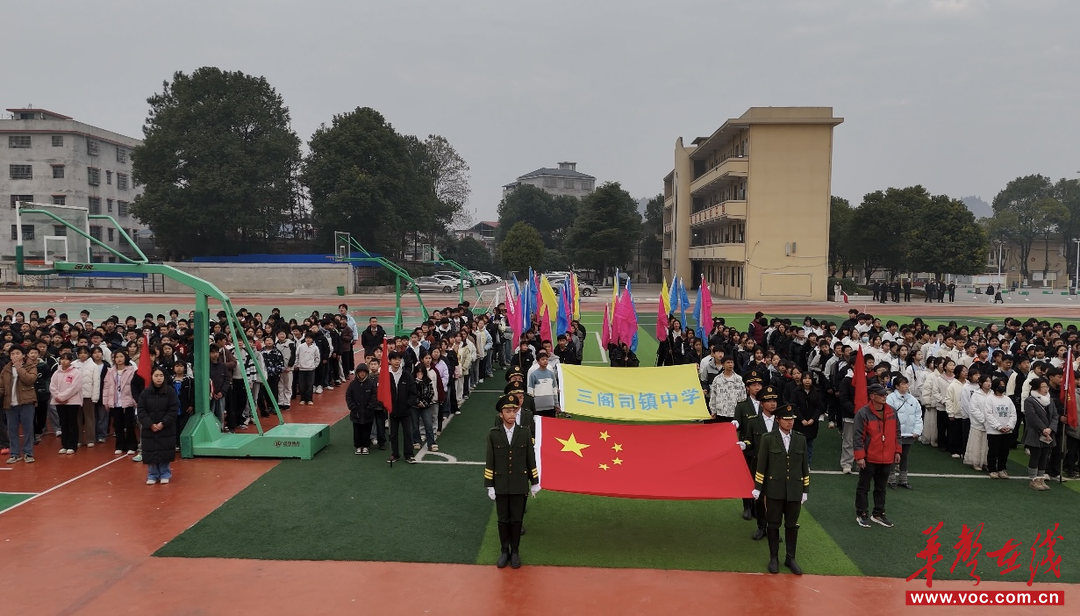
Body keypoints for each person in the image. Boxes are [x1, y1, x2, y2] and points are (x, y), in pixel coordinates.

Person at [752, 404, 809, 575]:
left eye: (792, 419)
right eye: (786, 419)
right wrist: (758, 487)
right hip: (774, 490)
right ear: (778, 420)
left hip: (794, 490)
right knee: (773, 524)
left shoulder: (800, 439)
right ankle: (774, 558)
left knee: (792, 525)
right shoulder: (768, 439)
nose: (790, 422)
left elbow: (804, 466)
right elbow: (761, 464)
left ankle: (790, 558)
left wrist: (805, 489)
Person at [484, 393, 540, 569]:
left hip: (519, 483)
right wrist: (489, 485)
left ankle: (515, 551)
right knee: (503, 520)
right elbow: (490, 460)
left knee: (516, 520)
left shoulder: (524, 433)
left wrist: (535, 481)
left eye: (514, 411)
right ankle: (504, 551)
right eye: (508, 411)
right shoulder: (493, 434)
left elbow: (530, 458)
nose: (512, 414)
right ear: (501, 414)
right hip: (500, 484)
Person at [853, 383, 901, 528]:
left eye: (885, 394)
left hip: (887, 457)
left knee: (881, 488)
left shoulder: (892, 412)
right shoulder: (862, 413)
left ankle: (878, 513)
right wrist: (860, 456)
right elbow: (858, 436)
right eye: (881, 395)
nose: (884, 397)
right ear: (872, 396)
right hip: (869, 457)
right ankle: (862, 513)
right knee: (864, 487)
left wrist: (897, 451)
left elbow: (897, 433)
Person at [740, 384, 780, 540]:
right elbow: (749, 440)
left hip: (777, 465)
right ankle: (761, 527)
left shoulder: (782, 420)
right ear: (761, 403)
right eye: (768, 401)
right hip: (759, 465)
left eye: (774, 400)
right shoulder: (753, 421)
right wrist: (745, 445)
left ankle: (774, 528)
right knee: (760, 497)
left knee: (776, 499)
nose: (772, 403)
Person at [137, 367, 180, 484]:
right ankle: (153, 474)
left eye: (161, 375)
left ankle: (165, 473)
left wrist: (163, 423)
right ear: (151, 377)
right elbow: (141, 410)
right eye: (156, 375)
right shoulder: (145, 393)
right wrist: (150, 424)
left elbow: (173, 409)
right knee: (151, 450)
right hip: (149, 429)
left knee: (164, 449)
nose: (159, 378)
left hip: (166, 428)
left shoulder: (170, 392)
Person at [2, 347, 39, 464]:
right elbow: (1, 386)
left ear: (23, 355)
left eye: (17, 353)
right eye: (12, 354)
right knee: (12, 430)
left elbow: (29, 380)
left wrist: (19, 368)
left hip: (26, 402)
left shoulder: (30, 367)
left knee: (28, 429)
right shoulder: (6, 369)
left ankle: (28, 453)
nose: (15, 356)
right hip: (10, 403)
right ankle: (15, 454)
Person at [102, 350, 143, 456]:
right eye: (117, 357)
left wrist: (135, 400)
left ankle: (132, 445)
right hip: (115, 401)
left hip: (128, 400)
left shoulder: (132, 370)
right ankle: (120, 445)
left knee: (129, 424)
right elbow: (106, 387)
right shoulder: (110, 371)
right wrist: (106, 401)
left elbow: (135, 386)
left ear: (125, 357)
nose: (119, 359)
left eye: (121, 356)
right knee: (118, 424)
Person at [886, 375, 922, 489]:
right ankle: (891, 479)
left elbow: (918, 416)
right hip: (895, 434)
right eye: (903, 384)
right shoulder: (890, 398)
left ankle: (903, 480)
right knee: (893, 456)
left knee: (905, 456)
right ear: (897, 386)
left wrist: (917, 430)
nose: (906, 386)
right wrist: (891, 431)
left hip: (909, 434)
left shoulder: (912, 399)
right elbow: (888, 416)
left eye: (907, 384)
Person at [1023, 377, 1057, 491]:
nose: (1046, 389)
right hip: (1035, 432)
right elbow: (1032, 417)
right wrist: (1043, 429)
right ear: (1037, 388)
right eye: (1043, 387)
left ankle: (1041, 478)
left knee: (1044, 456)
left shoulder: (1050, 400)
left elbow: (1055, 416)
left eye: (1047, 387)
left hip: (1048, 433)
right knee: (1035, 455)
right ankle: (1033, 479)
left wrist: (1050, 429)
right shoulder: (1029, 401)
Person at [386, 351, 417, 464]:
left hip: (405, 410)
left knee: (407, 433)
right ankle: (395, 454)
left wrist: (408, 404)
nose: (397, 361)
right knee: (393, 434)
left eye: (399, 359)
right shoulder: (386, 376)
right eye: (394, 359)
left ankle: (409, 455)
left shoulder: (406, 375)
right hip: (392, 410)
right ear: (390, 361)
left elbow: (413, 392)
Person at [982, 376, 1017, 479]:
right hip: (994, 432)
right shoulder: (989, 399)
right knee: (993, 451)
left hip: (1007, 431)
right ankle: (992, 469)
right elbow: (988, 415)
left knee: (1004, 452)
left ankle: (1002, 469)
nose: (1003, 386)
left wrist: (1010, 426)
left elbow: (1013, 414)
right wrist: (998, 427)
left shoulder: (1008, 399)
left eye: (1004, 385)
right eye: (1000, 385)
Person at [50, 351, 82, 454]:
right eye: (62, 359)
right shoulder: (56, 372)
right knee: (63, 423)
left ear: (71, 361)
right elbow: (52, 386)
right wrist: (58, 397)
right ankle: (65, 444)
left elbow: (75, 387)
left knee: (72, 423)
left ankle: (72, 445)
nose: (64, 361)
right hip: (59, 402)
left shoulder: (76, 372)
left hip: (72, 402)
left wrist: (63, 397)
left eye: (66, 359)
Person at [345, 363, 380, 455]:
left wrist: (370, 407)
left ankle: (366, 446)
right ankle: (358, 446)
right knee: (357, 430)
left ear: (366, 373)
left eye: (364, 372)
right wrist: (353, 407)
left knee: (367, 430)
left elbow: (374, 396)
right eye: (360, 372)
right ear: (357, 373)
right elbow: (348, 396)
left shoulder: (371, 384)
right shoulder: (353, 384)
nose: (362, 374)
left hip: (368, 413)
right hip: (356, 413)